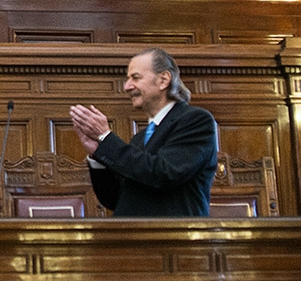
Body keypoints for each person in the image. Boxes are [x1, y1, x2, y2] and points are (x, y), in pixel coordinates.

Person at [69, 48, 218, 217]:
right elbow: (115, 199)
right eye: (127, 79)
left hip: (174, 238)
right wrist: (97, 154)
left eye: (136, 78)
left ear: (163, 80)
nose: (127, 86)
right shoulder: (140, 139)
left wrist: (106, 137)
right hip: (134, 238)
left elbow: (164, 174)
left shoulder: (196, 121)